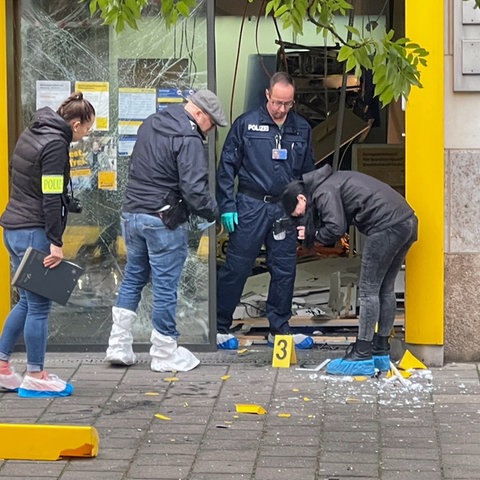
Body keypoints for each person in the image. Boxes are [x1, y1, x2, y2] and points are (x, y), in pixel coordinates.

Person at [104, 89, 227, 372]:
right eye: (211, 124)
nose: (209, 132)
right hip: (163, 219)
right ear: (199, 114)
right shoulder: (189, 137)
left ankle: (118, 345)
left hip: (133, 214)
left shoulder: (151, 122)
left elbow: (133, 165)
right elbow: (195, 190)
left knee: (133, 278)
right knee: (165, 286)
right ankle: (164, 351)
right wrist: (212, 212)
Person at [281, 162, 418, 376]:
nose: (297, 216)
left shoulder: (323, 191)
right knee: (385, 289)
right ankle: (380, 350)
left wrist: (314, 235)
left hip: (385, 226)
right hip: (407, 222)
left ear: (301, 199)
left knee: (368, 290)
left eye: (295, 212)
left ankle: (362, 354)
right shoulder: (333, 181)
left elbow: (335, 228)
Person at [0, 92, 96, 397]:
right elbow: (51, 196)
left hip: (14, 228)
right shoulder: (56, 144)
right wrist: (56, 242)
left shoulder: (33, 131)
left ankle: (2, 368)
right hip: (34, 231)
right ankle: (36, 375)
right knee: (39, 306)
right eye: (87, 130)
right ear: (76, 123)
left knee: (26, 302)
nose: (85, 136)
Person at [216, 72, 315, 350]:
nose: (282, 109)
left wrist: (305, 205)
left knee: (284, 269)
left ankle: (279, 328)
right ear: (268, 96)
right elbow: (226, 168)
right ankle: (220, 326)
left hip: (285, 208)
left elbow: (308, 173)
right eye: (278, 103)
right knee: (237, 266)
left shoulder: (301, 128)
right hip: (251, 206)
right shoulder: (246, 125)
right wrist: (227, 205)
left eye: (288, 104)